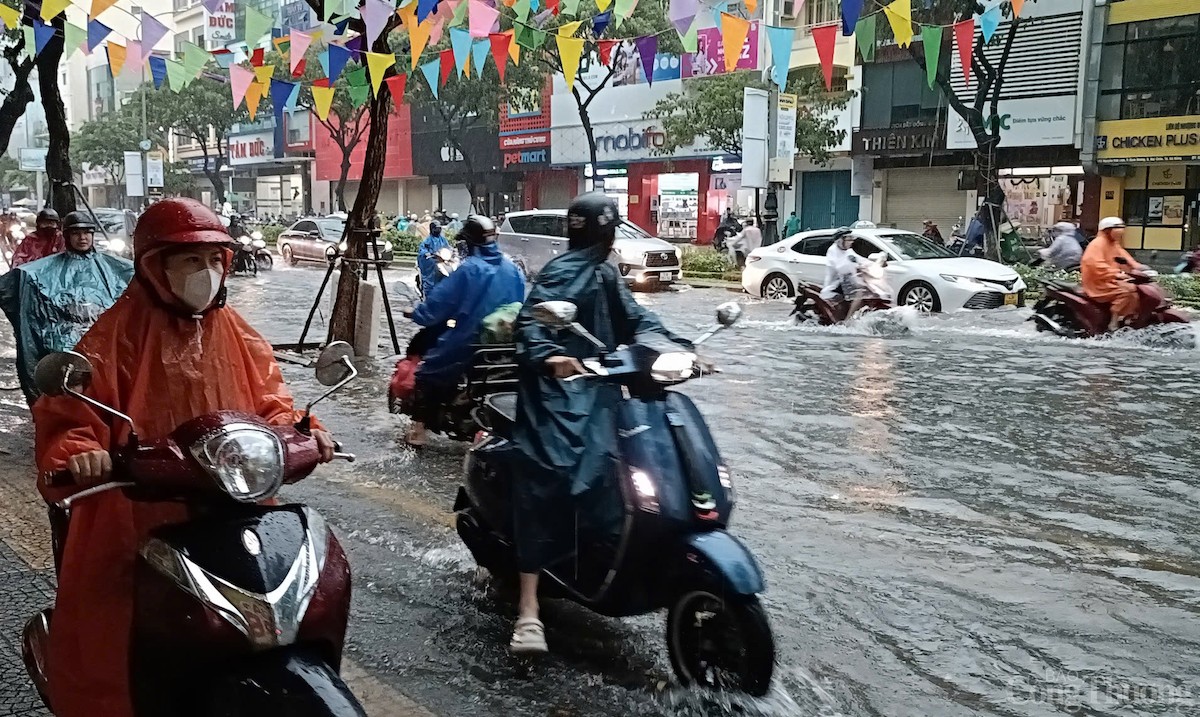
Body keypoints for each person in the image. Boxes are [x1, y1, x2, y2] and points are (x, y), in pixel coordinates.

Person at [32, 198, 337, 717]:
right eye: (191, 261)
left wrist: (305, 431)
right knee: (114, 634)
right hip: (137, 512)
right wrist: (85, 453)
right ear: (156, 266)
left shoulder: (236, 331)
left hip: (235, 504)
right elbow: (70, 418)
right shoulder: (111, 338)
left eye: (215, 260)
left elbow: (272, 401)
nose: (207, 272)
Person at [508, 192, 696, 654]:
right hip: (558, 395)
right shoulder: (558, 273)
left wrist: (678, 346)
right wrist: (551, 356)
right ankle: (528, 609)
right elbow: (531, 324)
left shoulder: (608, 272)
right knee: (548, 476)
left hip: (602, 389)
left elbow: (636, 318)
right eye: (607, 233)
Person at [402, 215, 524, 446]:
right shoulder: (513, 269)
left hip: (469, 342)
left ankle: (418, 431)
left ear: (470, 243)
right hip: (506, 346)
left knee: (427, 372)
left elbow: (439, 303)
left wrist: (417, 314)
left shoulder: (469, 270)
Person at [0, 211, 133, 404]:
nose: (83, 238)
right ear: (68, 236)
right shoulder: (41, 269)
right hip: (61, 345)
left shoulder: (112, 267)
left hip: (105, 342)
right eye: (77, 233)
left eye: (87, 232)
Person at [1081, 216, 1140, 332]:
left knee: (1136, 292)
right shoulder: (1097, 244)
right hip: (1098, 283)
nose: (1119, 235)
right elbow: (1093, 264)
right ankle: (1114, 321)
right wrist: (1115, 273)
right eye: (1116, 231)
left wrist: (1138, 268)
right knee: (1127, 291)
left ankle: (1128, 318)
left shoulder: (1113, 244)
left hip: (1111, 279)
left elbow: (1124, 258)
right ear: (1107, 231)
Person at [821, 229, 866, 317]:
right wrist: (855, 265)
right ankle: (847, 320)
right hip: (836, 284)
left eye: (851, 239)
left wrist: (873, 262)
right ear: (840, 240)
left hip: (848, 281)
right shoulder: (832, 251)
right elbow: (840, 268)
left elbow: (859, 259)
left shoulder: (848, 251)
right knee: (860, 293)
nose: (851, 242)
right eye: (849, 240)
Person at [416, 220, 453, 296]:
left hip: (442, 260)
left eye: (439, 228)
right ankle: (428, 290)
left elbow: (448, 247)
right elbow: (422, 249)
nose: (438, 230)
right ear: (432, 229)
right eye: (436, 228)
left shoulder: (443, 240)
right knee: (431, 272)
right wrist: (426, 253)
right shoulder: (428, 240)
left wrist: (452, 251)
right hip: (432, 261)